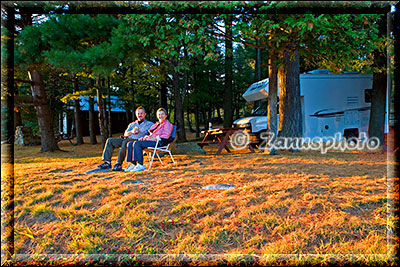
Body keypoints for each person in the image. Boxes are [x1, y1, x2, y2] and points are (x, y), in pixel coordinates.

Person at [98, 106, 154, 171]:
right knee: (110, 140)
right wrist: (132, 131)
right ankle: (107, 162)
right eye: (138, 114)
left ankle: (118, 164)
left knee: (126, 141)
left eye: (141, 113)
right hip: (127, 138)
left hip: (137, 141)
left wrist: (145, 137)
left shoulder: (150, 124)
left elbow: (153, 134)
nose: (140, 115)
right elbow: (125, 134)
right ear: (136, 115)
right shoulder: (132, 124)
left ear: (145, 114)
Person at [125, 107, 173, 172]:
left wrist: (153, 138)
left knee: (137, 144)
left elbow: (165, 137)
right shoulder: (157, 124)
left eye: (162, 114)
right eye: (159, 114)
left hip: (159, 143)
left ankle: (140, 164)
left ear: (166, 115)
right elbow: (150, 134)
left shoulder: (168, 125)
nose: (160, 116)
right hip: (151, 141)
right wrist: (144, 137)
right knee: (130, 143)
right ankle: (133, 164)